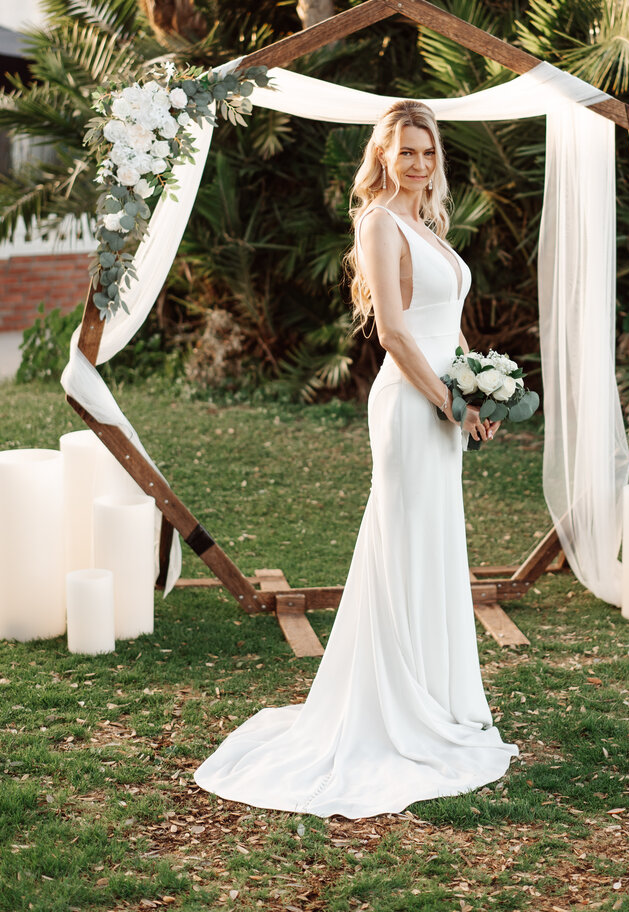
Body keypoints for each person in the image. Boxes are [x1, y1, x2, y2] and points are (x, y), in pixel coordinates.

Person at [193, 100, 518, 818]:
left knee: (436, 545)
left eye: (428, 153)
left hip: (443, 399)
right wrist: (447, 403)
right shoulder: (378, 222)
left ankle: (436, 695)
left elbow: (449, 327)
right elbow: (397, 335)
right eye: (406, 151)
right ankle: (393, 710)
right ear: (383, 154)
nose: (419, 164)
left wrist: (479, 394)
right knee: (403, 545)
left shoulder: (428, 225)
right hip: (409, 406)